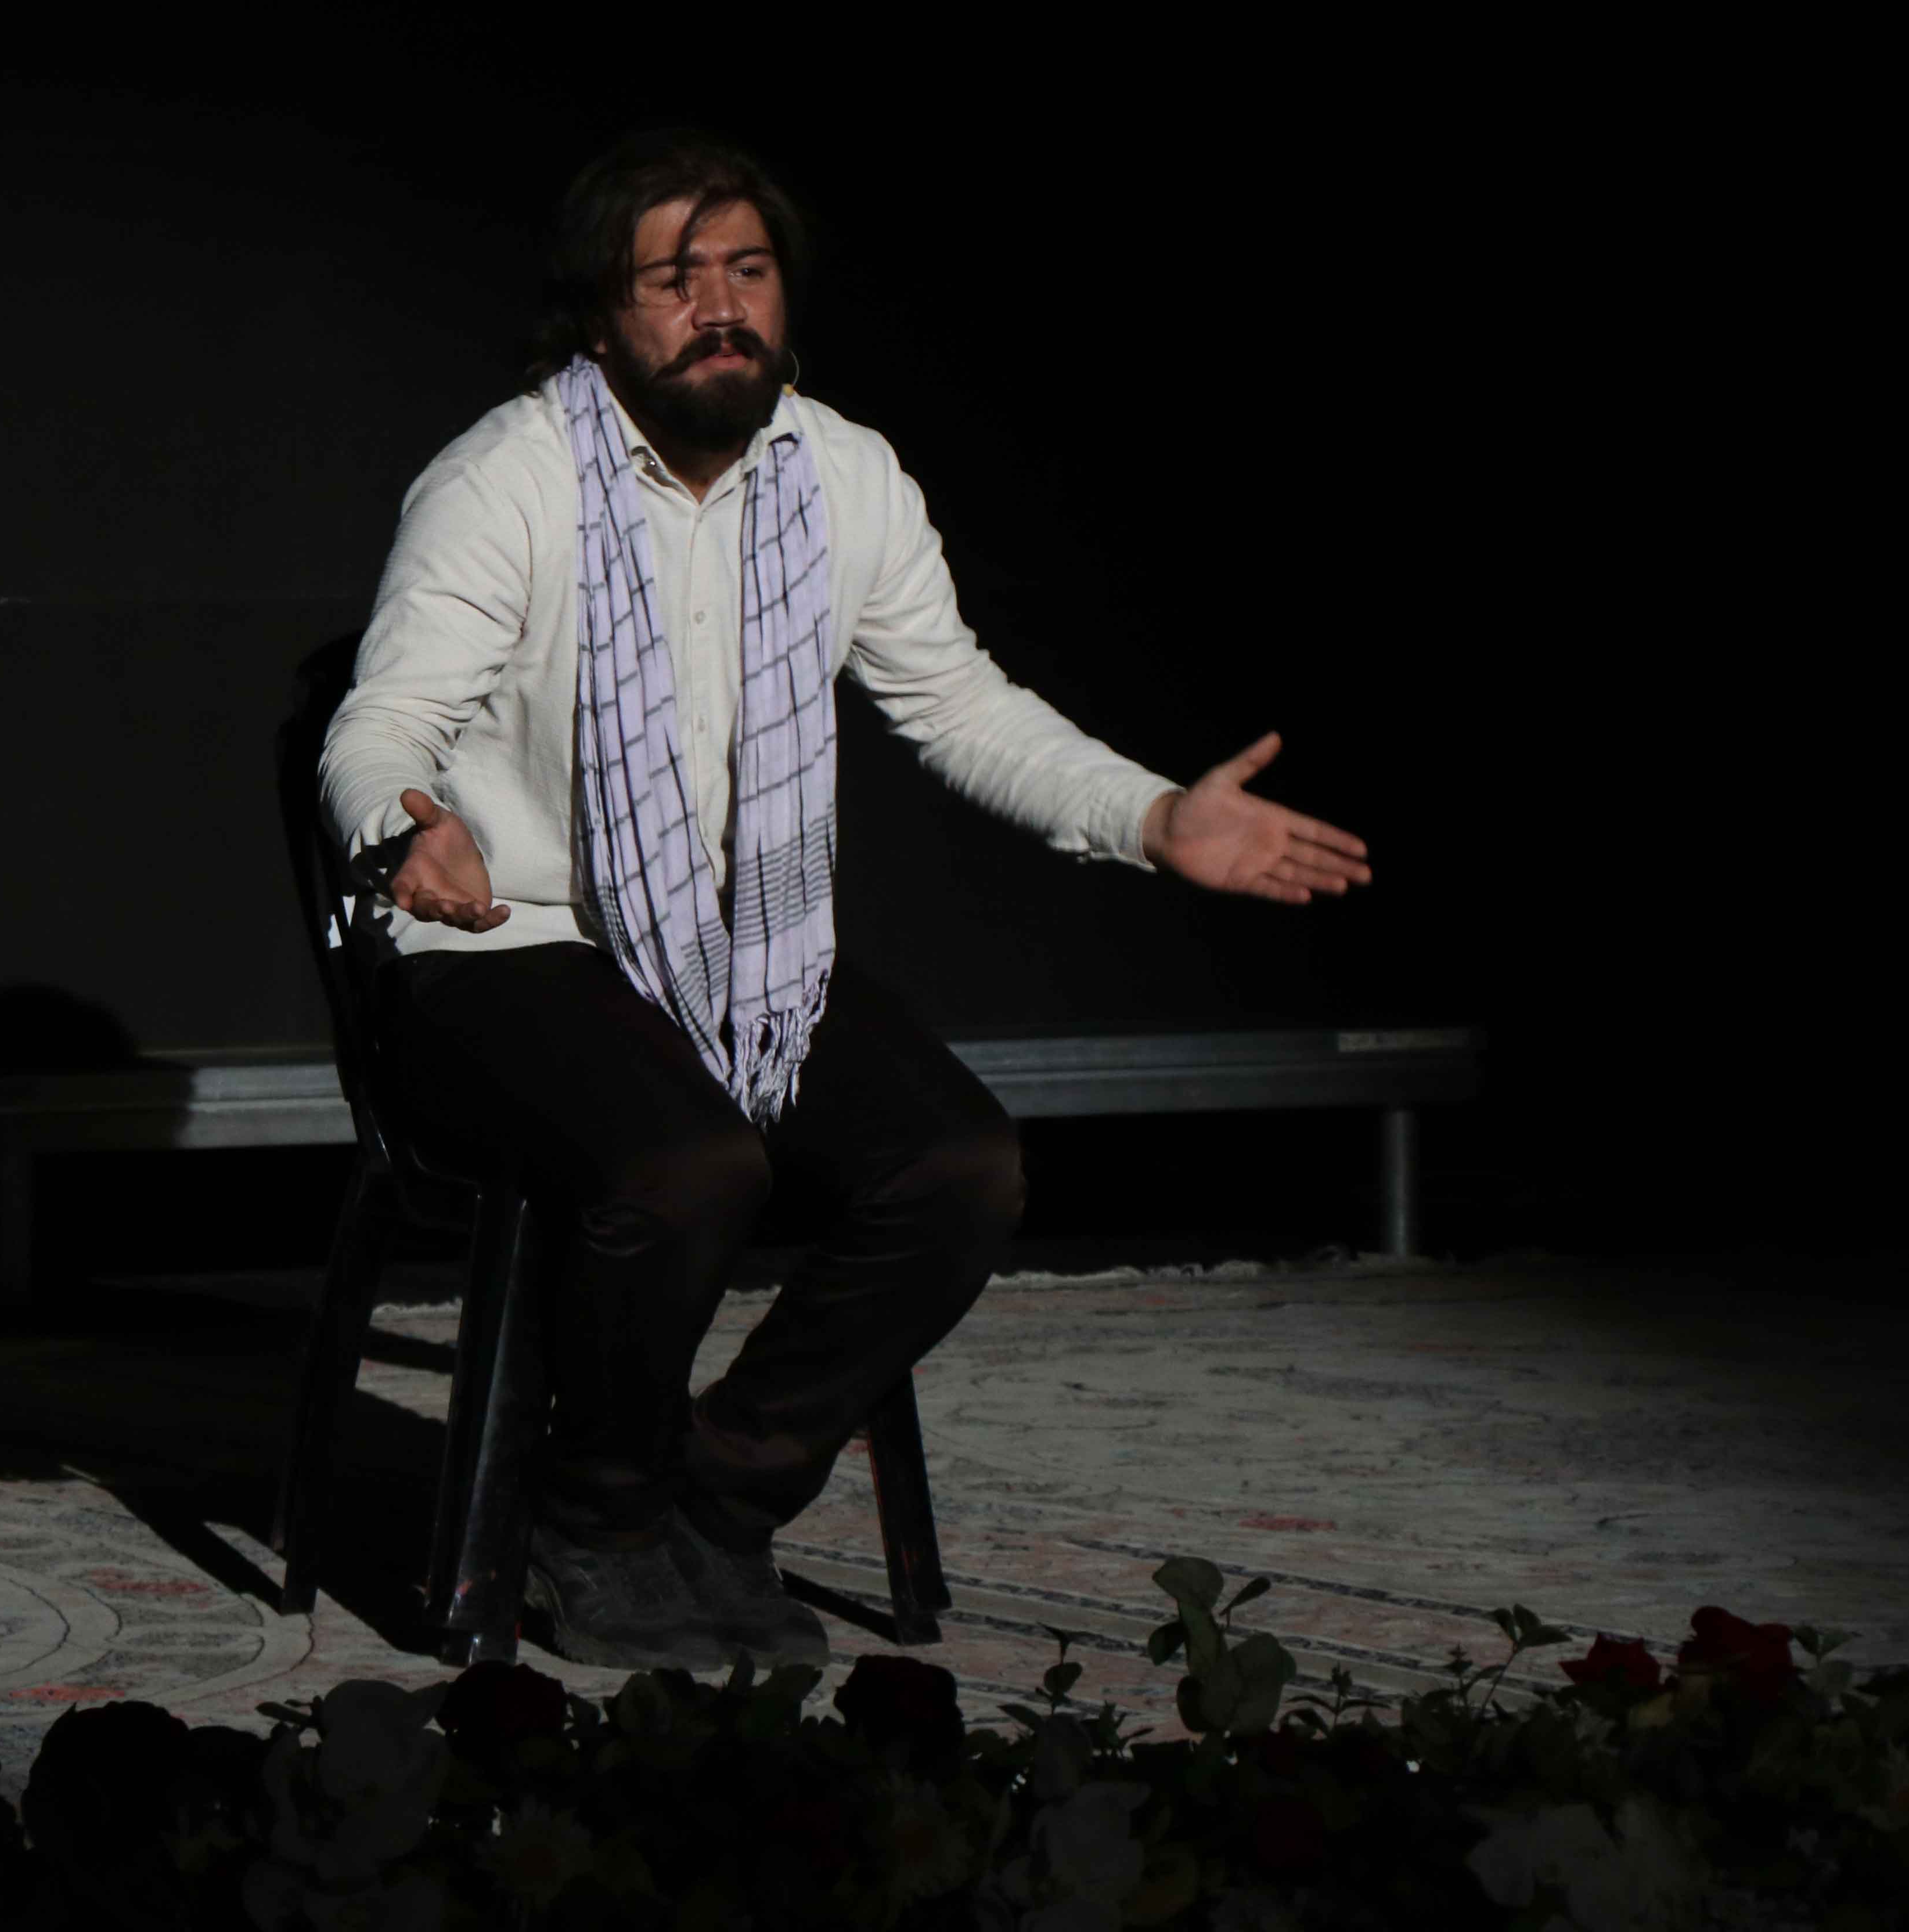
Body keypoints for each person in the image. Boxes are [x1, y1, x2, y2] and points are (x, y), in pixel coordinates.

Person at [318, 128, 1371, 1670]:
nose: (720, 308)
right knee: (691, 1165)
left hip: (740, 950)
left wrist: (1151, 816)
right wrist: (407, 823)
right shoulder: (506, 480)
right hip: (510, 945)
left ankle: (720, 1493)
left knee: (960, 1167)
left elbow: (960, 704)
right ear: (601, 315)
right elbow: (383, 720)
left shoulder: (846, 478)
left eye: (747, 272)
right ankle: (595, 1512)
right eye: (675, 281)